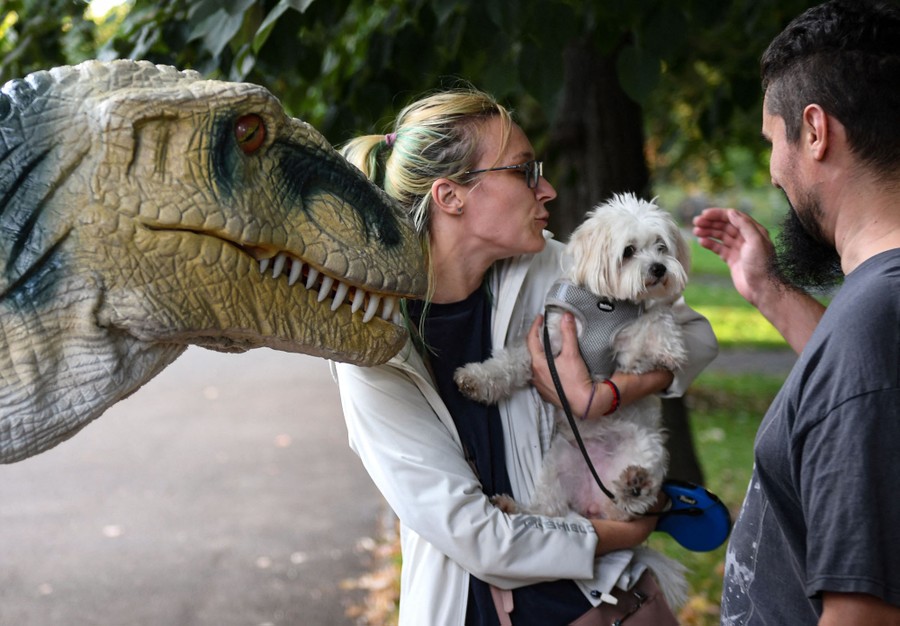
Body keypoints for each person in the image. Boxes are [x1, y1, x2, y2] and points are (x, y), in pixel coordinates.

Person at [331, 86, 718, 626]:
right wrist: (616, 534)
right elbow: (477, 536)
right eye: (524, 171)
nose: (549, 189)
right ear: (451, 197)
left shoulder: (552, 270)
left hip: (611, 603)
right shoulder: (371, 350)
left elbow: (696, 337)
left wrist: (606, 394)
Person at [691, 1, 900, 624]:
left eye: (771, 142)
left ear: (814, 131)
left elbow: (861, 614)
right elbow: (853, 392)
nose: (775, 174)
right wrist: (769, 289)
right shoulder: (876, 312)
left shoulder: (875, 321)